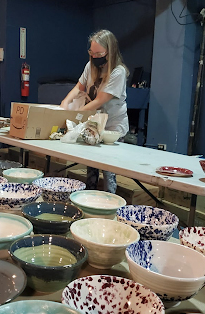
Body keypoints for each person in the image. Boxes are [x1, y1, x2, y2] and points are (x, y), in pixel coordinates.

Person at [60, 29, 129, 194]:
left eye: (99, 53)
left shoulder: (117, 72)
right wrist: (65, 102)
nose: (95, 57)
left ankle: (109, 202)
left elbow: (100, 100)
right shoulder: (90, 66)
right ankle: (88, 197)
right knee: (91, 164)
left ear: (109, 51)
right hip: (93, 124)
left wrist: (72, 115)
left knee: (108, 169)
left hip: (112, 127)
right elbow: (79, 87)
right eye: (92, 52)